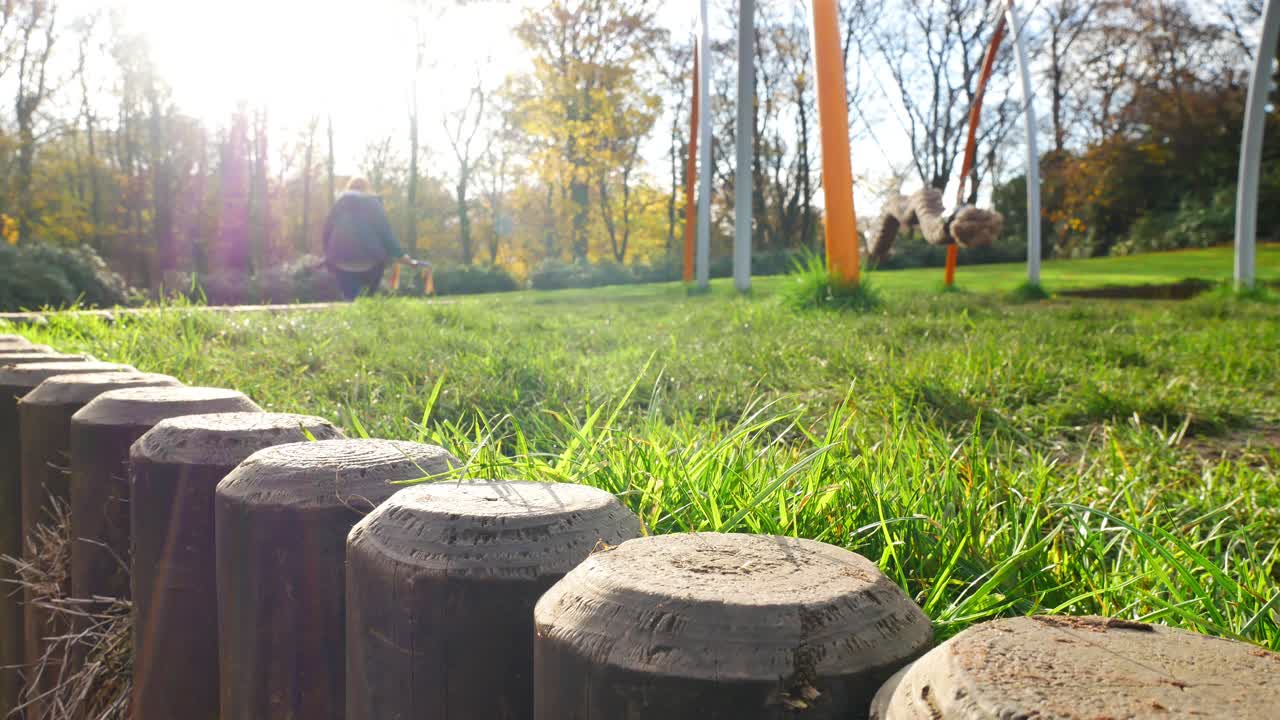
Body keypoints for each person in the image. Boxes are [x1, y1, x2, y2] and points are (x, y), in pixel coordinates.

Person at [322, 177, 425, 300]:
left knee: (351, 297)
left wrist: (328, 256)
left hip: (340, 260)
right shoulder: (372, 204)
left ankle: (353, 304)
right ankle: (367, 304)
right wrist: (401, 256)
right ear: (367, 189)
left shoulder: (338, 205)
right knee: (367, 296)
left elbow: (326, 233)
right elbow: (385, 233)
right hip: (370, 260)